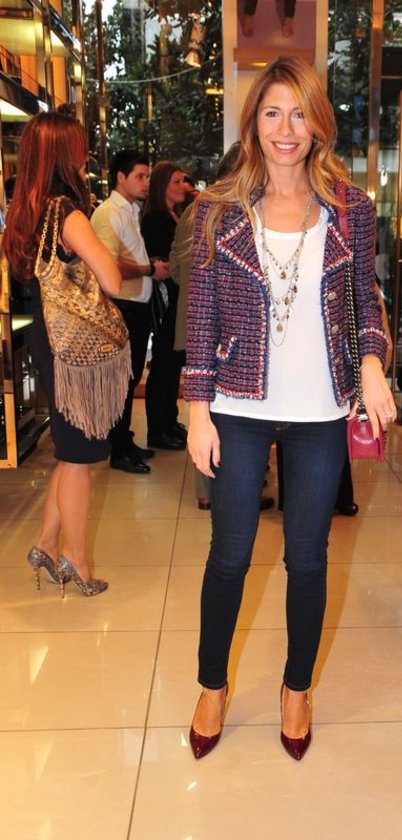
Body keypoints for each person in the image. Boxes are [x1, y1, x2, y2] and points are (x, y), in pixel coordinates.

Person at [184, 55, 394, 761]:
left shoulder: (350, 209)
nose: (285, 128)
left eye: (299, 113)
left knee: (307, 558)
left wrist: (371, 365)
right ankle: (211, 685)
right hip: (236, 403)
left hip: (320, 410)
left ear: (317, 125)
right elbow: (201, 315)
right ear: (253, 124)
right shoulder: (217, 210)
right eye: (272, 112)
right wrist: (196, 409)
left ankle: (296, 688)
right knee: (230, 555)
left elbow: (365, 301)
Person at [2, 112, 123, 596]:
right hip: (73, 350)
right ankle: (77, 560)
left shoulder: (25, 212)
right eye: (78, 148)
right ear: (61, 155)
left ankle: (47, 544)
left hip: (48, 340)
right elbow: (112, 278)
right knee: (79, 457)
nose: (85, 156)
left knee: (71, 451)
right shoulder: (67, 213)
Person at [169, 143, 274, 510]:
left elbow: (176, 266)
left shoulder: (199, 208)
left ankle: (211, 490)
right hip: (216, 327)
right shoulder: (220, 210)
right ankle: (223, 489)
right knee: (211, 409)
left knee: (208, 408)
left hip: (195, 322)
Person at [91, 150, 171, 473]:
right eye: (139, 176)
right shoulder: (108, 213)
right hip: (121, 308)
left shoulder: (130, 211)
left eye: (147, 176)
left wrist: (148, 267)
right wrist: (148, 269)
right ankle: (117, 449)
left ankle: (124, 440)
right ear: (120, 177)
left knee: (131, 377)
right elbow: (108, 266)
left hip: (136, 307)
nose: (146, 182)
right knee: (122, 380)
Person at [140, 162, 189, 450]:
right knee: (163, 362)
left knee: (172, 363)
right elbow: (158, 261)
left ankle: (169, 421)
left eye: (183, 181)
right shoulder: (155, 219)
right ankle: (157, 429)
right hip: (164, 296)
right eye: (176, 182)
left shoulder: (176, 214)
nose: (183, 186)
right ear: (163, 186)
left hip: (176, 294)